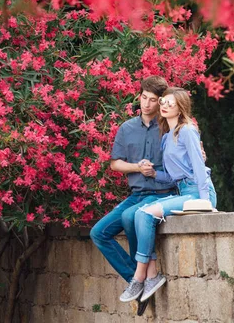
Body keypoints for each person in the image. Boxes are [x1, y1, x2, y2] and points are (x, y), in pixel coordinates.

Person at [121, 87, 217, 303]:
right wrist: (153, 173)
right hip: (183, 190)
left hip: (197, 192)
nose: (164, 105)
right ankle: (151, 276)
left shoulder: (187, 130)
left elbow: (199, 168)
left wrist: (207, 201)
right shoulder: (167, 137)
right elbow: (174, 177)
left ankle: (140, 277)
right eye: (163, 101)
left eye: (170, 103)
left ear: (180, 108)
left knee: (145, 214)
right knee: (139, 214)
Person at [90, 76, 178, 306]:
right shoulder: (126, 128)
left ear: (160, 103)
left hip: (162, 193)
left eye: (152, 100)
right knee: (98, 233)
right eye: (144, 98)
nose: (146, 104)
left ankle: (143, 279)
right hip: (137, 194)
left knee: (131, 217)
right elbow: (115, 164)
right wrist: (137, 167)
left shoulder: (168, 126)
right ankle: (136, 279)